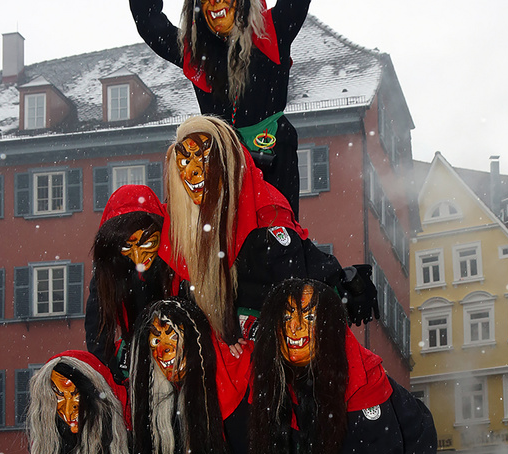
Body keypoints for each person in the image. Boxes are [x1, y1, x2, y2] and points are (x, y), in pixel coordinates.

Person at [126, 0, 320, 215]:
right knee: (227, 240)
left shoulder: (270, 33)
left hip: (273, 153)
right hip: (224, 160)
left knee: (276, 231)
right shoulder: (195, 53)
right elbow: (151, 26)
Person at [159, 115, 377, 347]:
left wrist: (237, 326)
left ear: (227, 163)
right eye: (183, 161)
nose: (192, 171)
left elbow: (291, 301)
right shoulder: (179, 232)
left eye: (204, 158)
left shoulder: (269, 222)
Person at [249, 279, 438, 454]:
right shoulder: (269, 369)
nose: (294, 328)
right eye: (286, 318)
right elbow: (272, 436)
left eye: (309, 318)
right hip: (324, 439)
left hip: (406, 438)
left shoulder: (364, 374)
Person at [129, 298, 233, 454]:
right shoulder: (150, 408)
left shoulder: (224, 392)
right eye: (155, 339)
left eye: (172, 336)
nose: (162, 350)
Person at [84, 184, 172, 382]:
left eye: (146, 243)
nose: (139, 255)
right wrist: (110, 374)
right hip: (137, 357)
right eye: (127, 246)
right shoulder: (109, 270)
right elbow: (97, 327)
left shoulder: (176, 257)